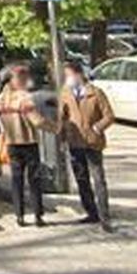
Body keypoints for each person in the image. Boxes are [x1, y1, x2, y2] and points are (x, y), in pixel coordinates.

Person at [58, 62, 116, 231]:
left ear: (79, 74)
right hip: (75, 142)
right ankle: (91, 212)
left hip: (92, 142)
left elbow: (109, 116)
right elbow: (63, 117)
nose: (67, 79)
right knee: (82, 180)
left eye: (69, 75)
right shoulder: (66, 93)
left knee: (98, 179)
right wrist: (62, 138)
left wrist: (97, 128)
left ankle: (105, 216)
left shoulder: (95, 93)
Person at [0, 65, 49, 227]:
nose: (27, 81)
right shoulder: (25, 98)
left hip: (11, 143)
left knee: (16, 181)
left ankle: (19, 216)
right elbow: (37, 120)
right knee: (34, 180)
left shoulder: (2, 99)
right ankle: (38, 215)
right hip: (29, 142)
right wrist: (54, 126)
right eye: (24, 78)